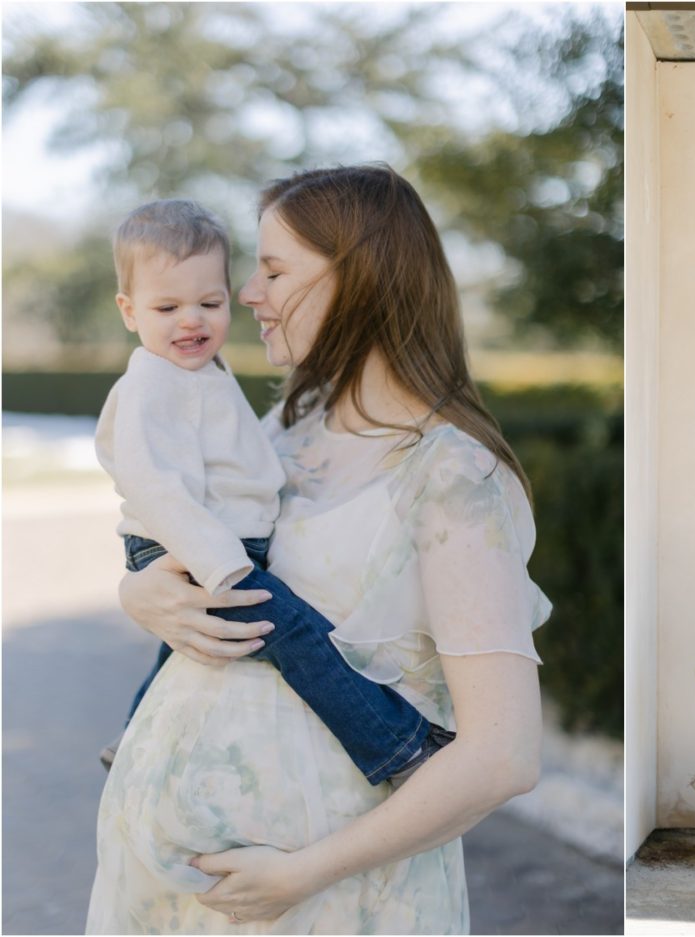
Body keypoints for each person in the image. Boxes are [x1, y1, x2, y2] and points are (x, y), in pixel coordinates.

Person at [86, 164, 550, 933]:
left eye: (272, 270)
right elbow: (176, 539)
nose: (248, 295)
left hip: (329, 902)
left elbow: (503, 756)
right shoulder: (280, 434)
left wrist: (301, 874)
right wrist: (139, 593)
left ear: (357, 279)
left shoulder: (452, 475)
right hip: (171, 897)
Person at [94, 198, 452, 786]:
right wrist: (222, 567)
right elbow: (152, 488)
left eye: (210, 303)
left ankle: (134, 733)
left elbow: (237, 465)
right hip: (199, 549)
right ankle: (397, 745)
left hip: (217, 543)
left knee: (191, 645)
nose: (192, 321)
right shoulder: (149, 385)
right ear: (129, 312)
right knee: (297, 634)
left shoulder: (200, 373)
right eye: (168, 307)